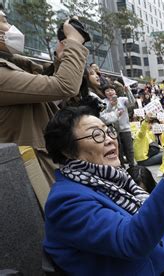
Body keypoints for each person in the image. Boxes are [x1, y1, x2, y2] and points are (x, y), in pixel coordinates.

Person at [43, 106, 164, 275]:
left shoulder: (113, 178)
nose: (110, 140)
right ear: (67, 151)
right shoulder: (66, 201)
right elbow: (132, 241)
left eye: (109, 131)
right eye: (96, 135)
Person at [0, 10, 88, 185]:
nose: (10, 27)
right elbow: (65, 86)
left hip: (41, 164)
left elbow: (46, 98)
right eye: (3, 21)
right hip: (29, 174)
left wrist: (63, 54)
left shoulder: (14, 63)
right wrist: (74, 41)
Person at [101, 85, 136, 167]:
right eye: (107, 91)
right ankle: (121, 166)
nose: (110, 92)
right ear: (104, 93)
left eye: (112, 90)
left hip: (125, 128)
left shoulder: (122, 99)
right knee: (118, 149)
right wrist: (110, 105)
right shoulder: (103, 102)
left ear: (115, 91)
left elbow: (132, 102)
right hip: (112, 130)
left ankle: (132, 165)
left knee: (129, 149)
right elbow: (102, 114)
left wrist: (128, 91)